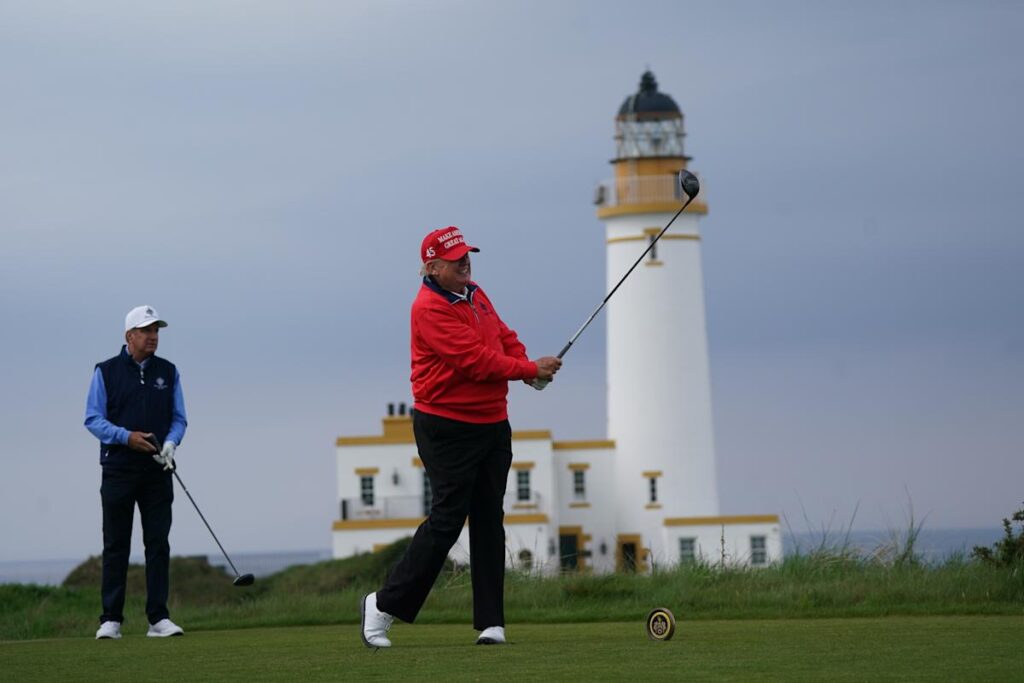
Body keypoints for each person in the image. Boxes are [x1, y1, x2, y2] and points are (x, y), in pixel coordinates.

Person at [360, 226, 562, 648]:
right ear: (432, 268)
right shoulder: (428, 309)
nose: (465, 263)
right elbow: (474, 361)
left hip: (492, 422)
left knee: (489, 517)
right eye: (456, 259)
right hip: (446, 427)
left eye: (467, 255)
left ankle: (491, 622)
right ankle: (382, 605)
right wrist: (528, 371)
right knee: (449, 519)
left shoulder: (475, 293)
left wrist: (526, 366)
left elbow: (501, 337)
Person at [84, 305, 188, 640]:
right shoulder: (106, 371)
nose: (153, 337)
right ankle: (111, 619)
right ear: (130, 336)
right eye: (146, 331)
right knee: (116, 544)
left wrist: (171, 443)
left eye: (156, 331)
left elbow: (179, 418)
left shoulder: (168, 372)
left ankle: (158, 618)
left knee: (158, 544)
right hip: (118, 469)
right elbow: (93, 419)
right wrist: (126, 437)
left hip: (158, 469)